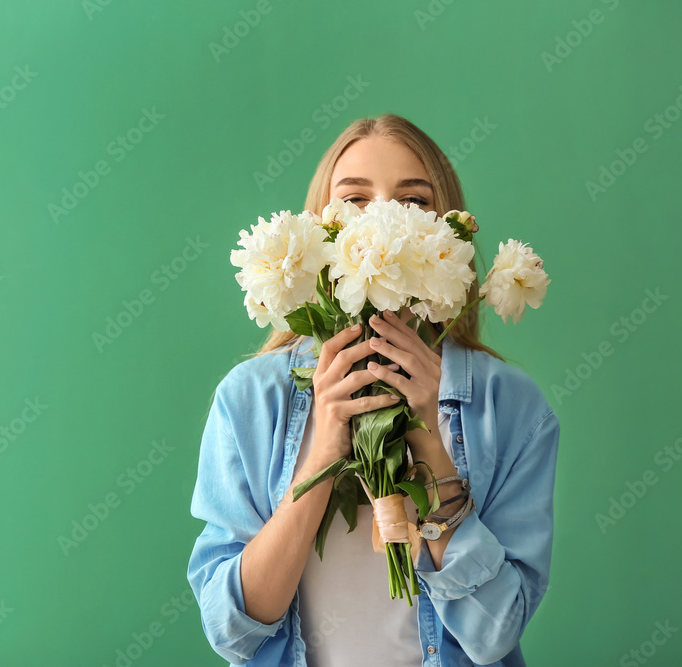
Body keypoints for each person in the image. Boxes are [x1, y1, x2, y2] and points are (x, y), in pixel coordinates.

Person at [187, 113, 560, 666]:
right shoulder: (250, 398)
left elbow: (493, 636)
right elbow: (231, 633)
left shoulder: (513, 407)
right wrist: (324, 452)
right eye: (355, 201)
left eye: (414, 201)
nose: (383, 219)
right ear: (318, 234)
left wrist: (430, 439)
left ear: (452, 235)